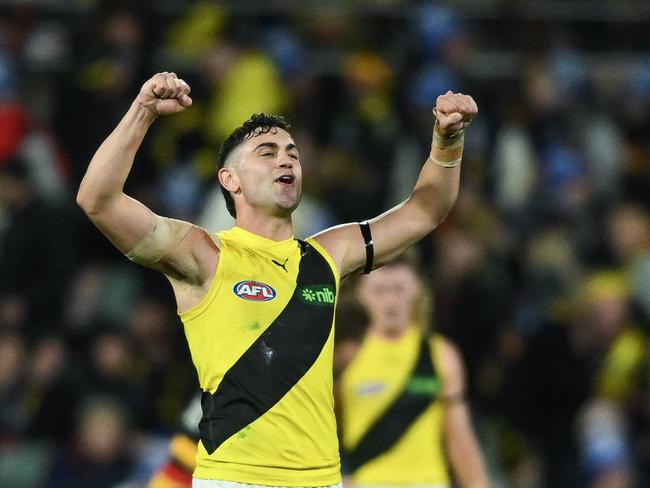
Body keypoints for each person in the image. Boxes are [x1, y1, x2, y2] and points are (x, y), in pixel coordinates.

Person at [76, 71, 477, 487]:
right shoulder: (204, 255)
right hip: (235, 478)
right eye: (266, 152)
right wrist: (142, 112)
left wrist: (447, 142)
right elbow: (97, 199)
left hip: (321, 480)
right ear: (229, 180)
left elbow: (425, 211)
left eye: (292, 152)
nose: (286, 159)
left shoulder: (329, 254)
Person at [339, 253, 488, 488]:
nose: (390, 301)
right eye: (380, 291)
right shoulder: (345, 353)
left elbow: (459, 438)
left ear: (416, 291)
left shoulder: (441, 353)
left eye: (399, 289)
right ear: (360, 295)